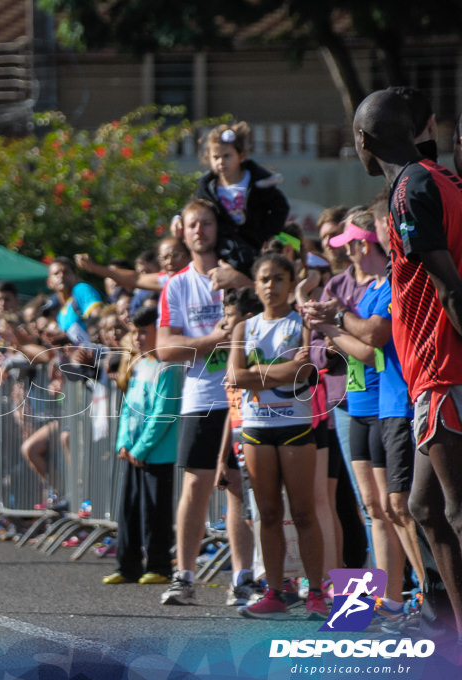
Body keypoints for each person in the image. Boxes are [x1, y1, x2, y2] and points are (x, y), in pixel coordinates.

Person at [355, 88, 462, 645]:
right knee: (423, 506)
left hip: (445, 372)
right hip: (431, 375)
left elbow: (448, 288)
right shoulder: (440, 179)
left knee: (456, 510)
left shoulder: (411, 187)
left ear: (363, 142)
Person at [304, 211, 411, 624]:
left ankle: (405, 596)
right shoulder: (347, 288)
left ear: (362, 244)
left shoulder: (384, 284)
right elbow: (317, 348)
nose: (345, 252)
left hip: (386, 404)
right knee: (373, 507)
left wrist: (333, 325)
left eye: (349, 244)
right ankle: (377, 601)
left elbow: (371, 344)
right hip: (355, 404)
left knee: (394, 507)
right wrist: (328, 331)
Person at [228, 254, 327, 620]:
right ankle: (274, 591)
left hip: (295, 426)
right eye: (265, 279)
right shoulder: (244, 328)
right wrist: (278, 372)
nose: (271, 285)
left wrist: (258, 371)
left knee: (303, 512)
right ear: (255, 285)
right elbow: (236, 377)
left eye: (279, 279)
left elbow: (304, 371)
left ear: (291, 282)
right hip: (256, 429)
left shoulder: (300, 321)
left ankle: (315, 591)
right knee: (268, 513)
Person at [155, 199, 239, 605]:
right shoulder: (176, 284)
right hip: (200, 396)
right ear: (182, 231)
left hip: (243, 394)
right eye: (193, 224)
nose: (200, 231)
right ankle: (184, 576)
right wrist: (211, 342)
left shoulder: (237, 276)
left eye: (206, 223)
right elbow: (164, 349)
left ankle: (245, 579)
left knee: (241, 487)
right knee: (195, 486)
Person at [103, 305, 182, 586]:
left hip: (157, 453)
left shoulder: (167, 368)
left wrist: (141, 448)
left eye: (144, 332)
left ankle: (159, 566)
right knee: (130, 510)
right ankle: (127, 566)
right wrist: (123, 442)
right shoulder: (138, 365)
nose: (138, 338)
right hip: (134, 450)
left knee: (155, 512)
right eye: (135, 332)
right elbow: (127, 409)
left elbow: (163, 413)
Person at [214, 287, 264, 606]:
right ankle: (243, 577)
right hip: (237, 439)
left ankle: (270, 577)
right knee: (241, 506)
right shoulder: (234, 350)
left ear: (246, 319)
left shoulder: (258, 348)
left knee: (263, 512)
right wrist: (222, 457)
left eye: (229, 316)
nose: (223, 322)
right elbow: (231, 409)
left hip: (264, 436)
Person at [195, 122, 290, 276]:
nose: (221, 162)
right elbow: (196, 208)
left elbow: (280, 207)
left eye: (227, 156)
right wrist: (179, 217)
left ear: (241, 156)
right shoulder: (207, 188)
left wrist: (265, 233)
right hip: (223, 249)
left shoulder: (258, 183)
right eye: (216, 157)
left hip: (254, 246)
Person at [46, 257, 103, 346]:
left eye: (66, 272)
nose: (61, 276)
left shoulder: (81, 289)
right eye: (56, 273)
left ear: (75, 276)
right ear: (49, 282)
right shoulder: (61, 315)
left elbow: (99, 318)